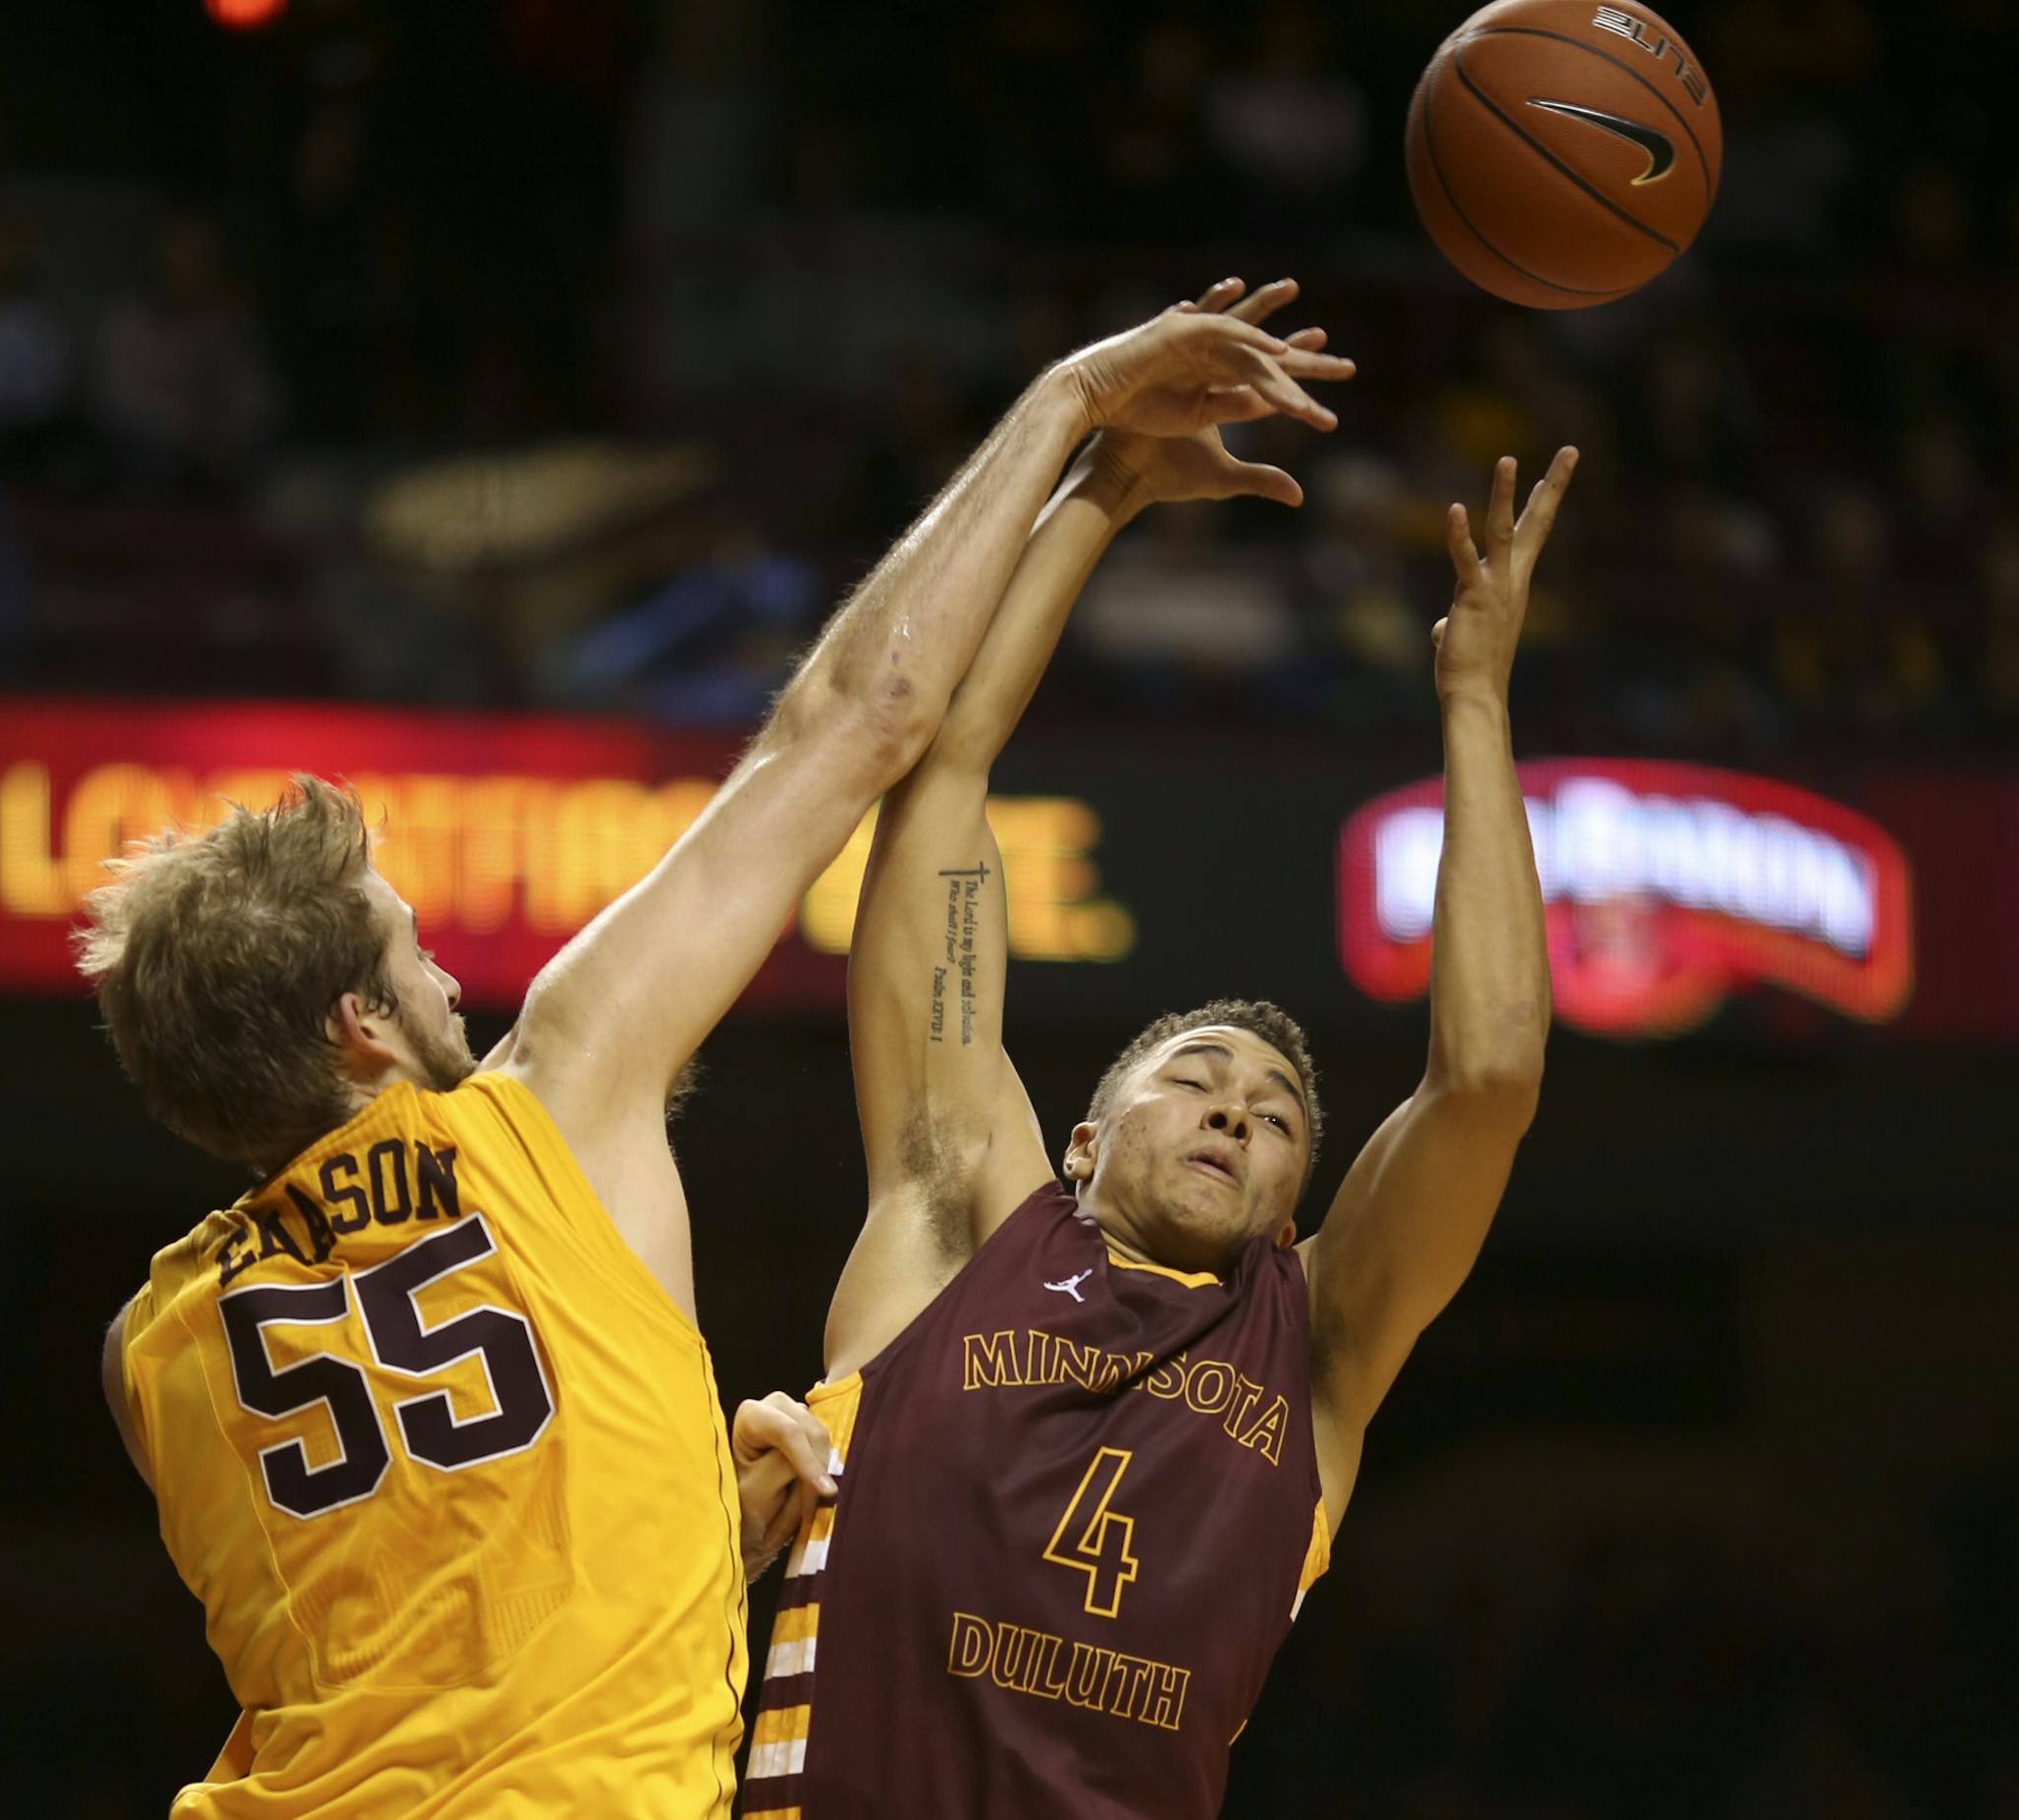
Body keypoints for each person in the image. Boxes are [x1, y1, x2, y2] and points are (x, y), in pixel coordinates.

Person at [82, 286, 1339, 1818]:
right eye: (408, 949)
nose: (448, 976)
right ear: (357, 1028)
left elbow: (428, 1580)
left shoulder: (152, 1350)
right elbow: (857, 716)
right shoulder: (549, 1105)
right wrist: (1072, 398)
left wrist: (687, 1513)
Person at [743, 278, 1576, 1818]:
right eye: (1194, 1078)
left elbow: (1493, 1076)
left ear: (1289, 1200)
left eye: (1273, 1118)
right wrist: (1104, 487)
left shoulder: (1314, 1347)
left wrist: (1473, 698)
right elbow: (944, 788)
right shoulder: (961, 1213)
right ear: (1078, 1136)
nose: (1236, 1112)